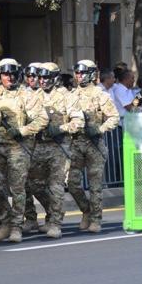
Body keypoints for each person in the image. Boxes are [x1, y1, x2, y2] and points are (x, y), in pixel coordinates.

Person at [0, 58, 47, 243]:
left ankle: (16, 227)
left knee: (17, 189)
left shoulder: (26, 95)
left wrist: (22, 131)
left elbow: (42, 119)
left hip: (18, 147)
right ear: (0, 76)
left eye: (13, 74)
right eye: (6, 74)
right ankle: (5, 221)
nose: (10, 77)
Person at [29, 62, 83, 238]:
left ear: (55, 78)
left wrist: (61, 128)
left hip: (59, 146)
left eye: (47, 77)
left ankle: (55, 223)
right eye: (40, 77)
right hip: (39, 145)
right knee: (35, 185)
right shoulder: (34, 96)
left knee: (56, 185)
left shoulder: (66, 96)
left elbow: (78, 121)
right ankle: (52, 212)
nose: (43, 81)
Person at [69, 60, 119, 233]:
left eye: (82, 73)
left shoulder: (100, 95)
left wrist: (99, 129)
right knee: (72, 183)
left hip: (95, 144)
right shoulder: (72, 95)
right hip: (76, 143)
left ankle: (96, 219)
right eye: (77, 73)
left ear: (90, 74)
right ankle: (86, 211)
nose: (78, 76)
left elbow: (114, 117)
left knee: (95, 185)